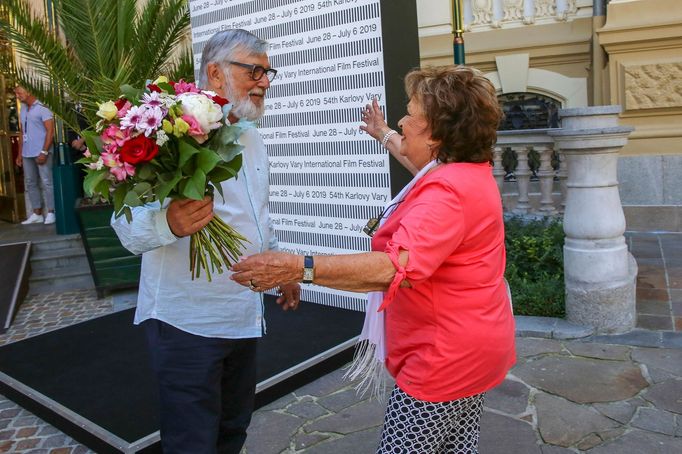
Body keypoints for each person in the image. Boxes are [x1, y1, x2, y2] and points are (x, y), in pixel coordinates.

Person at [231, 65, 516, 454]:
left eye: (411, 114)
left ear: (435, 132)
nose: (402, 120)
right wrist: (383, 132)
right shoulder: (463, 172)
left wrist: (297, 266)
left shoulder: (446, 193)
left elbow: (394, 267)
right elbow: (416, 160)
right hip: (475, 344)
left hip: (444, 356)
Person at [111, 29, 300, 454]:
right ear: (215, 73)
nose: (265, 81)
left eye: (268, 71)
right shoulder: (168, 135)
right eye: (254, 70)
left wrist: (281, 266)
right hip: (187, 324)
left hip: (242, 315)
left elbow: (257, 215)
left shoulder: (251, 136)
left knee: (232, 431)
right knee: (190, 442)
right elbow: (125, 228)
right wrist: (169, 224)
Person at [15, 85, 56, 225]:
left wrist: (44, 151)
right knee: (30, 182)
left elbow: (50, 131)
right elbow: (22, 132)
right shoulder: (23, 109)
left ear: (29, 92)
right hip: (27, 152)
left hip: (41, 151)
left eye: (19, 93)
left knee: (47, 181)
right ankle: (37, 213)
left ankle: (52, 212)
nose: (17, 96)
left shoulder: (43, 107)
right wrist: (20, 154)